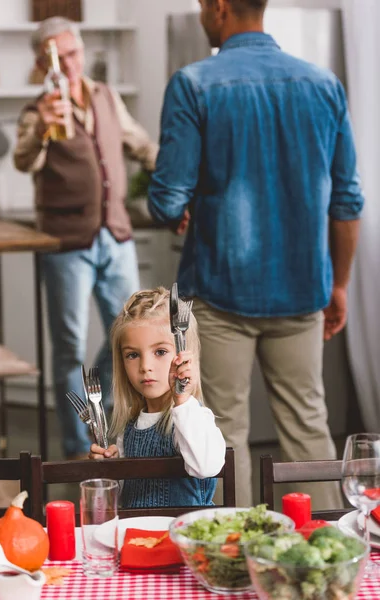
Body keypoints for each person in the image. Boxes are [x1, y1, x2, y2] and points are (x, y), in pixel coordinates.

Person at [148, 0, 364, 508]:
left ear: (219, 7)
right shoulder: (323, 84)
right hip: (302, 286)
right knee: (308, 422)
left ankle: (235, 556)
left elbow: (165, 200)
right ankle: (318, 549)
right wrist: (340, 285)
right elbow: (347, 200)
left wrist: (189, 200)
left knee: (222, 430)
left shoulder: (194, 83)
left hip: (221, 292)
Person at [13, 17, 158, 459]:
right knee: (69, 348)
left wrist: (182, 174)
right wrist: (40, 130)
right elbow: (24, 161)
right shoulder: (37, 111)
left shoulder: (106, 97)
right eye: (56, 57)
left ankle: (108, 423)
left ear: (80, 52)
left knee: (128, 335)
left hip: (115, 235)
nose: (68, 64)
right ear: (43, 63)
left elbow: (139, 143)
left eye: (72, 53)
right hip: (66, 244)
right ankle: (79, 449)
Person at [90, 287, 226, 508]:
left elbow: (206, 467)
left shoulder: (195, 417)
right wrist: (110, 471)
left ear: (184, 357)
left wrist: (182, 401)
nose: (145, 367)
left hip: (183, 536)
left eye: (160, 352)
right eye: (132, 355)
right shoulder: (129, 427)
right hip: (137, 537)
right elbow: (124, 498)